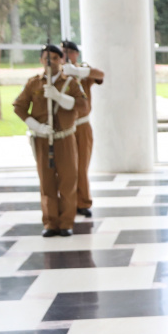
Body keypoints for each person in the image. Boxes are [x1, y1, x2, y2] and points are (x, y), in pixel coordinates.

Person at [13, 44, 87, 237]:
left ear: (61, 60)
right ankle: (50, 223)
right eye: (47, 58)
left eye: (55, 58)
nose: (51, 62)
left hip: (65, 138)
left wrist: (59, 97)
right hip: (42, 139)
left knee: (68, 181)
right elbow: (18, 107)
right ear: (40, 60)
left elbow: (82, 104)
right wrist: (36, 126)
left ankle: (66, 223)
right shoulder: (33, 83)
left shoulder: (70, 83)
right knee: (47, 183)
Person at [60, 40, 104, 218]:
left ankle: (83, 202)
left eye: (70, 52)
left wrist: (79, 72)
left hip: (82, 125)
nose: (66, 55)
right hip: (63, 127)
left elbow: (100, 75)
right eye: (63, 52)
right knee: (66, 168)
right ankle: (67, 203)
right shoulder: (57, 73)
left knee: (82, 166)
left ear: (76, 54)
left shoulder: (83, 71)